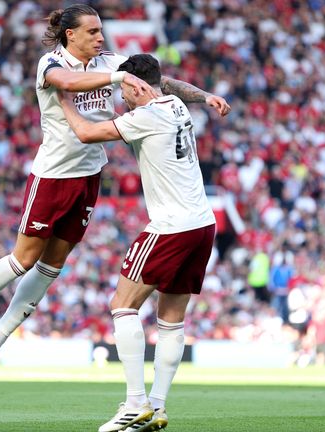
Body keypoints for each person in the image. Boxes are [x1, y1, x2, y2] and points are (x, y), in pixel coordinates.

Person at [0, 4, 230, 380]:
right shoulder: (51, 63)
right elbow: (68, 84)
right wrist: (117, 77)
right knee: (24, 259)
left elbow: (159, 83)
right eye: (92, 32)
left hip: (89, 174)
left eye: (100, 31)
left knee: (50, 268)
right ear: (71, 35)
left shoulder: (109, 62)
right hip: (53, 176)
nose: (100, 37)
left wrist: (202, 94)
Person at [59, 54, 216, 432]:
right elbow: (172, 86)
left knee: (122, 305)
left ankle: (134, 403)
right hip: (202, 224)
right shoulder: (175, 104)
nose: (121, 98)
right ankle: (157, 407)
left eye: (122, 90)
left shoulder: (147, 116)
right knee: (171, 320)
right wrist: (205, 95)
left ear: (134, 85)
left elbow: (85, 132)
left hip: (171, 226)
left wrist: (61, 99)